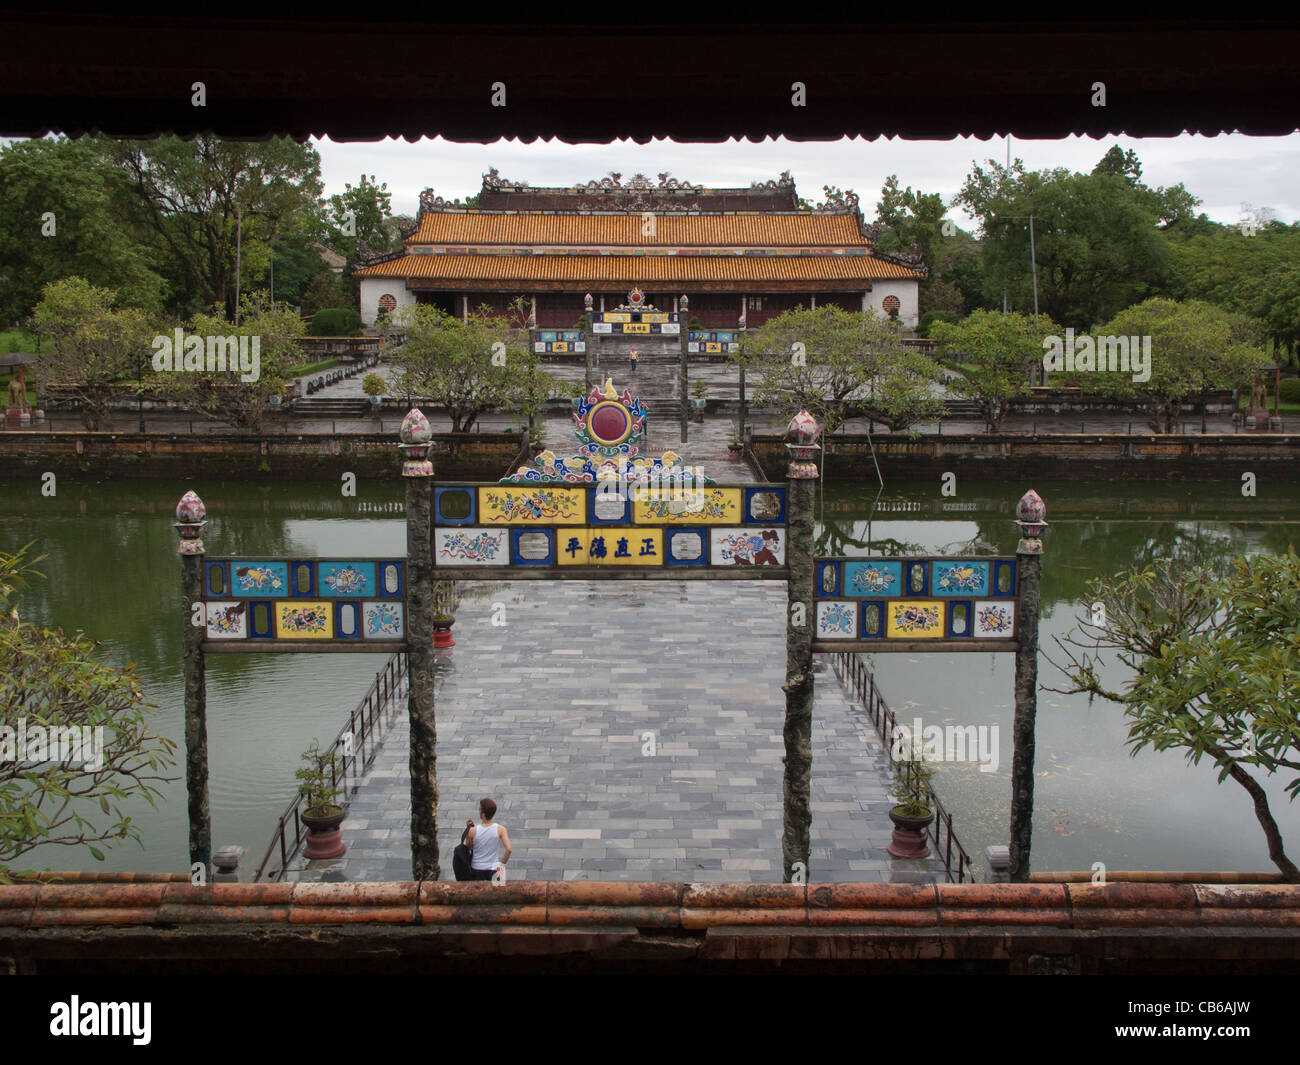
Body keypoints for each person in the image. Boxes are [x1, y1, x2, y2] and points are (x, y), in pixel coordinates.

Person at [465, 796, 511, 881]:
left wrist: (468, 830)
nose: (478, 810)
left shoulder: (472, 831)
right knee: (498, 893)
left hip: (477, 869)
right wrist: (501, 865)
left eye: (480, 809)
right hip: (495, 868)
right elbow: (509, 850)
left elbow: (468, 847)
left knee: (477, 893)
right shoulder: (501, 829)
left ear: (483, 814)